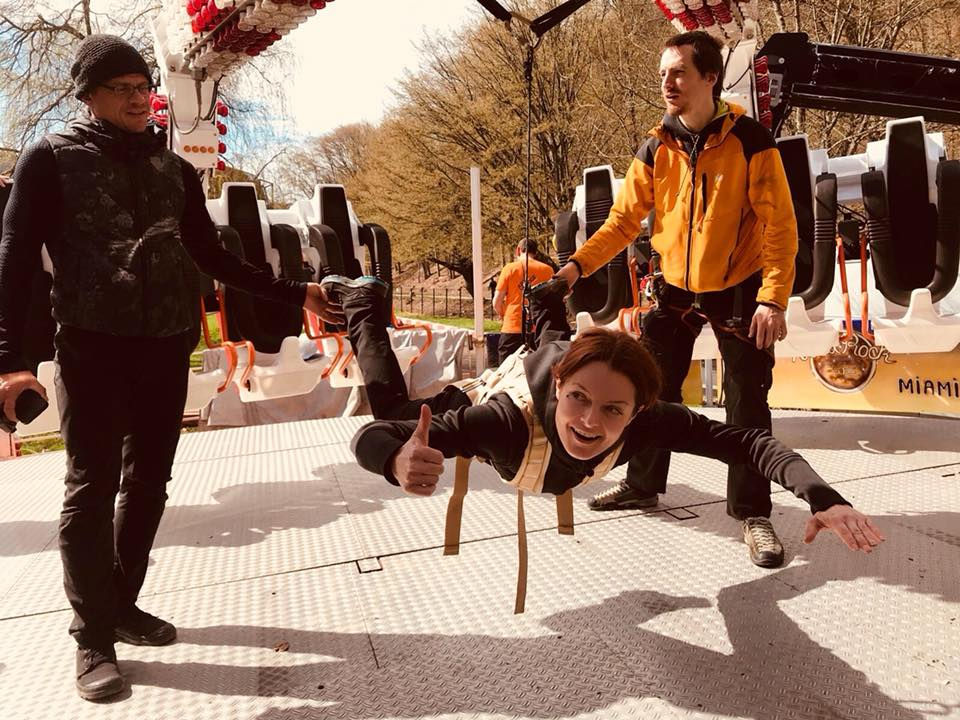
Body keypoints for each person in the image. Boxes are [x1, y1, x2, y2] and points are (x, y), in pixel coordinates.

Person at [0, 35, 342, 701]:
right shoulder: (51, 159)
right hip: (91, 346)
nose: (137, 97)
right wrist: (9, 361)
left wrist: (293, 292)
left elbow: (212, 257)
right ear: (89, 96)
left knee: (150, 484)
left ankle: (120, 605)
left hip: (165, 345)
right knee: (90, 488)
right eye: (122, 87)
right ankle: (91, 637)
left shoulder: (171, 169)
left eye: (141, 85)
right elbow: (13, 260)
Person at [324, 275, 883, 568]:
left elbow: (750, 443)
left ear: (638, 411)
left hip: (561, 359)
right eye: (580, 401)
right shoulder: (501, 424)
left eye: (612, 410)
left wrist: (822, 496)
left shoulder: (649, 422)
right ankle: (362, 306)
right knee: (398, 411)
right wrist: (394, 458)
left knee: (554, 341)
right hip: (526, 380)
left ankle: (545, 303)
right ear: (564, 390)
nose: (590, 423)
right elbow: (372, 435)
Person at [553, 31, 799, 569]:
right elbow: (622, 223)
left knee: (746, 401)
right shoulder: (655, 146)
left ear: (710, 77)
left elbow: (780, 225)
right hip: (676, 287)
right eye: (663, 73)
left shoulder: (752, 141)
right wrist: (573, 270)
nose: (667, 83)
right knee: (646, 392)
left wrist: (773, 299)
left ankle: (753, 513)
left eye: (679, 72)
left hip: (740, 288)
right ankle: (643, 484)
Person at [493, 239, 555, 363]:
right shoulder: (548, 270)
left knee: (506, 369)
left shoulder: (509, 268)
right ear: (535, 252)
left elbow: (497, 301)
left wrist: (503, 315)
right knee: (535, 369)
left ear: (518, 250)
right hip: (538, 327)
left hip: (512, 325)